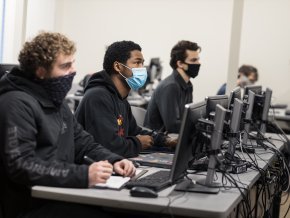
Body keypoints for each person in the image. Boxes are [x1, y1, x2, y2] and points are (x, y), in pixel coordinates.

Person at [0, 32, 136, 218]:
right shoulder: (15, 103)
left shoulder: (55, 100)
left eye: (73, 63)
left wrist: (114, 160)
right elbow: (22, 165)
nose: (73, 70)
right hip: (29, 205)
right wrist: (83, 175)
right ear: (40, 71)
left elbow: (83, 143)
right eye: (65, 66)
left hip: (57, 194)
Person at [75, 41, 176, 158]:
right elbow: (108, 146)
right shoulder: (98, 96)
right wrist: (138, 143)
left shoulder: (120, 98)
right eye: (137, 63)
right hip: (93, 168)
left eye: (142, 63)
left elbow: (134, 130)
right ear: (118, 66)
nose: (142, 69)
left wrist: (164, 140)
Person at [143, 40, 201, 133]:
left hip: (174, 140)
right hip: (159, 143)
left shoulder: (188, 85)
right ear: (180, 64)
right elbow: (173, 127)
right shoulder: (170, 87)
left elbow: (187, 117)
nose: (198, 63)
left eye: (198, 59)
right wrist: (200, 125)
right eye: (193, 60)